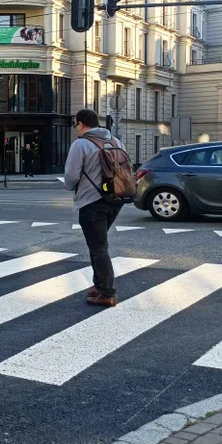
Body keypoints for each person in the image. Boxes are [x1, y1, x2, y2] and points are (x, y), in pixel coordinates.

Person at [64, 109, 126, 307]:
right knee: (97, 244)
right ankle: (99, 285)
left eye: (75, 125)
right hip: (115, 200)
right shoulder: (115, 141)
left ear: (81, 124)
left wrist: (69, 185)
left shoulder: (81, 144)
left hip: (91, 202)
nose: (76, 129)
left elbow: (71, 176)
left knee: (99, 248)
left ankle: (107, 292)